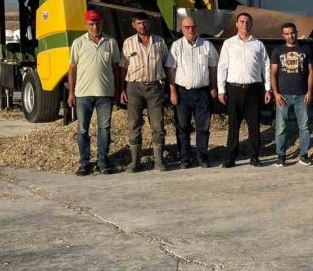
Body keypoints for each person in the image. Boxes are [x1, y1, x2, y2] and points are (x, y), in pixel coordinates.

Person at [67, 9, 122, 176]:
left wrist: (119, 90)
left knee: (104, 129)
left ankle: (102, 161)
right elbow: (72, 69)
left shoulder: (111, 42)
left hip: (105, 94)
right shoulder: (78, 43)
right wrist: (71, 93)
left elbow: (116, 69)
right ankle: (84, 162)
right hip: (83, 94)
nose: (94, 26)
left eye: (97, 23)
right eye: (91, 24)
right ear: (86, 25)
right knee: (83, 129)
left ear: (102, 23)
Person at [216, 12, 271, 167]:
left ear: (251, 24)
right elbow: (222, 67)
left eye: (247, 22)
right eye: (241, 21)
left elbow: (266, 67)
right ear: (237, 24)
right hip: (234, 89)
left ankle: (255, 157)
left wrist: (268, 89)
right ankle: (230, 158)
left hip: (253, 90)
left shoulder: (258, 44)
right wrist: (221, 90)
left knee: (254, 125)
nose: (244, 24)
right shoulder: (228, 44)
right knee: (233, 125)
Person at [120, 11, 170, 172]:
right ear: (134, 25)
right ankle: (135, 162)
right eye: (139, 23)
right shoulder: (128, 43)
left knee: (157, 125)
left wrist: (168, 88)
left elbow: (166, 65)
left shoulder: (160, 42)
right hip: (134, 87)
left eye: (145, 22)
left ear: (149, 23)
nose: (142, 26)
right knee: (134, 124)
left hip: (155, 87)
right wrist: (122, 89)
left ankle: (159, 161)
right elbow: (123, 67)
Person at [167, 16, 219, 168]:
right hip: (183, 93)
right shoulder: (177, 46)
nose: (190, 30)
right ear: (182, 29)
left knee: (203, 128)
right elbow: (170, 70)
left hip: (202, 93)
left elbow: (213, 68)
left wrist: (214, 87)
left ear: (197, 28)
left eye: (193, 27)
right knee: (183, 127)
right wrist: (172, 92)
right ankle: (185, 158)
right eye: (187, 27)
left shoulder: (207, 45)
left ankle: (202, 157)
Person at [271, 22, 313, 166]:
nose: (291, 35)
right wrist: (276, 94)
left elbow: (311, 73)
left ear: (296, 32)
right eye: (287, 33)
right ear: (283, 35)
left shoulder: (306, 49)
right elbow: (273, 74)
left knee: (305, 127)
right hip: (283, 96)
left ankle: (303, 154)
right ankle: (281, 155)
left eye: (292, 32)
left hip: (302, 95)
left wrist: (309, 91)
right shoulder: (278, 51)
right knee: (281, 127)